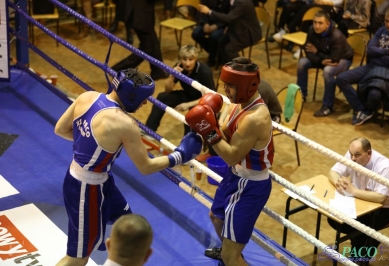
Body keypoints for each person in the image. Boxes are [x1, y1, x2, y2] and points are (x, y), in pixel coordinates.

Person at [54, 68, 202, 266]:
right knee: (78, 256)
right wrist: (179, 156)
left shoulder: (86, 96)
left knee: (128, 228)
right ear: (132, 96)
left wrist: (89, 145)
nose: (144, 103)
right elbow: (146, 166)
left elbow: (61, 129)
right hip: (86, 190)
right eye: (143, 98)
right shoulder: (125, 123)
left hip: (97, 180)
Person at [185, 57, 274, 266]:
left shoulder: (255, 117)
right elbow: (224, 133)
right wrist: (211, 123)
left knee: (229, 257)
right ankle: (230, 254)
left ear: (245, 86)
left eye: (230, 86)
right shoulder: (238, 105)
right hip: (234, 175)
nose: (225, 90)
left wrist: (208, 131)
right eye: (224, 85)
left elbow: (231, 155)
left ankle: (230, 257)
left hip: (250, 185)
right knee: (216, 216)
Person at [327, 138, 389, 259]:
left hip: (384, 210)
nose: (353, 158)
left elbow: (381, 198)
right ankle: (368, 241)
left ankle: (360, 254)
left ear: (369, 153)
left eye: (357, 155)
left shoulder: (384, 166)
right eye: (351, 154)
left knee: (356, 226)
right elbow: (333, 171)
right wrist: (337, 181)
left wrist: (353, 191)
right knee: (333, 218)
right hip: (359, 202)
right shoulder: (352, 155)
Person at [335, 6, 389, 126]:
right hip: (370, 67)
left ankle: (367, 110)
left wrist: (378, 53)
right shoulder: (381, 30)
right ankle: (363, 109)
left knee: (374, 94)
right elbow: (370, 49)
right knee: (341, 79)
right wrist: (386, 51)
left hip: (387, 73)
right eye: (386, 21)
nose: (388, 24)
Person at [145, 45, 216, 138]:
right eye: (184, 59)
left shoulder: (205, 71)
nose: (187, 63)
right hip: (188, 95)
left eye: (191, 59)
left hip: (203, 101)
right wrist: (172, 75)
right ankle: (149, 130)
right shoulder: (179, 67)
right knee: (162, 97)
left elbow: (211, 97)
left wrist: (188, 104)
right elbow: (167, 90)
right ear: (180, 59)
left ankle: (187, 147)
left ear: (195, 59)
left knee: (190, 118)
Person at [297, 10, 353, 116]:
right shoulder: (311, 30)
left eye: (320, 23)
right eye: (315, 22)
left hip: (343, 59)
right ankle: (301, 95)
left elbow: (333, 59)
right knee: (301, 62)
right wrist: (320, 60)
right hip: (322, 58)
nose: (316, 26)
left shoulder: (336, 36)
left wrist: (317, 52)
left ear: (327, 24)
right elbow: (307, 49)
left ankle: (328, 106)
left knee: (328, 71)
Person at [110, 0, 168, 81]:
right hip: (140, 14)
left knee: (153, 41)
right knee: (147, 48)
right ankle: (118, 70)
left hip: (138, 12)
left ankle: (157, 71)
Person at [198, 0, 261, 65]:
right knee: (221, 42)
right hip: (237, 28)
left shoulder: (242, 2)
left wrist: (209, 11)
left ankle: (242, 68)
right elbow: (233, 16)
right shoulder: (233, 1)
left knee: (229, 49)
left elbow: (228, 17)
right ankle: (228, 66)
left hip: (247, 33)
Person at [191, 0, 230, 67]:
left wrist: (217, 26)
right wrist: (206, 23)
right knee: (196, 34)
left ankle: (212, 59)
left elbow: (229, 17)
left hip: (223, 24)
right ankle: (215, 53)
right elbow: (203, 9)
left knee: (213, 37)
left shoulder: (231, 1)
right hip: (208, 22)